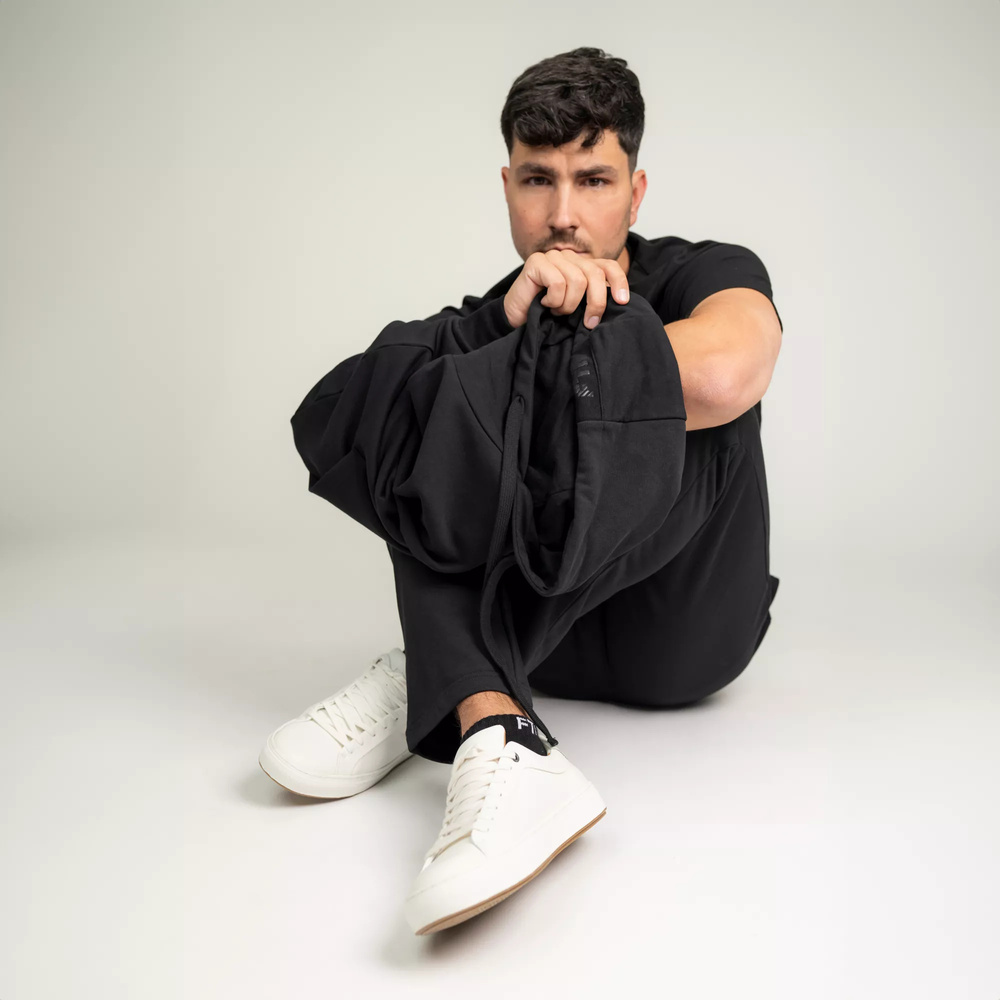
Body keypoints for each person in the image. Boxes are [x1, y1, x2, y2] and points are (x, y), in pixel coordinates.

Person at [258, 46, 783, 936]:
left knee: (649, 395)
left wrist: (519, 377)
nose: (563, 215)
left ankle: (445, 667)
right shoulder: (498, 307)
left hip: (684, 638)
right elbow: (339, 412)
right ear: (507, 187)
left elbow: (728, 372)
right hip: (547, 646)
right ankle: (492, 718)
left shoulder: (701, 270)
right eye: (539, 180)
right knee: (422, 410)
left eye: (593, 180)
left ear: (636, 193)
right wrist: (504, 336)